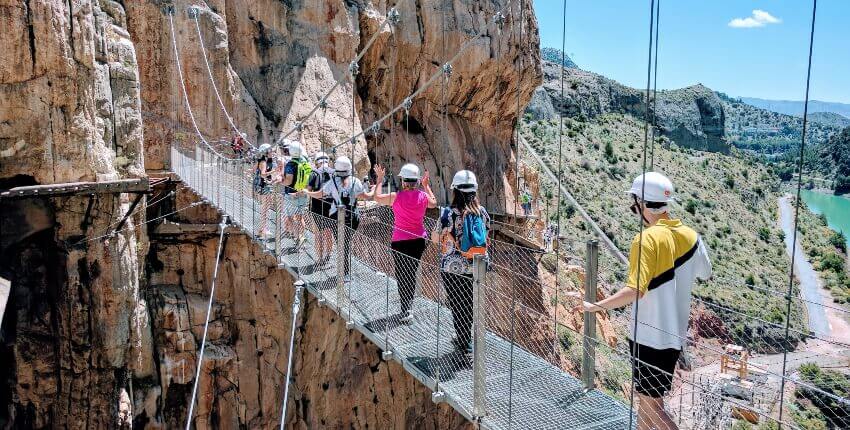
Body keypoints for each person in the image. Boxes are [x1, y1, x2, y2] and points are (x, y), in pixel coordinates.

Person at [571, 172, 711, 430]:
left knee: (652, 408)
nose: (633, 208)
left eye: (634, 202)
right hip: (674, 336)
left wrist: (595, 306)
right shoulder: (692, 237)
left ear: (643, 203)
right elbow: (705, 272)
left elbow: (634, 290)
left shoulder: (646, 239)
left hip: (649, 337)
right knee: (646, 405)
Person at [373, 163, 437, 324]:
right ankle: (409, 306)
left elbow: (377, 198)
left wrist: (380, 179)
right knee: (411, 271)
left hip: (400, 241)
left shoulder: (396, 196)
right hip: (419, 240)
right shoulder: (423, 196)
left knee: (402, 274)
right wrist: (426, 186)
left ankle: (406, 308)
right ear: (416, 182)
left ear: (403, 182)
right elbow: (434, 203)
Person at [437, 170, 490, 354]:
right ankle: (466, 339)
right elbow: (485, 236)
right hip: (476, 265)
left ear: (455, 191)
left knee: (456, 302)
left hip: (452, 266)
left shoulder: (448, 213)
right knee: (469, 303)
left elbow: (437, 239)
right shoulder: (482, 212)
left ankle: (463, 340)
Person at [302, 156, 372, 282]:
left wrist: (307, 192)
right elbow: (366, 196)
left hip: (336, 218)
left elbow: (319, 194)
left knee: (342, 244)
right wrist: (379, 184)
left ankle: (344, 272)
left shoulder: (332, 182)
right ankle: (345, 271)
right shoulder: (355, 181)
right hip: (353, 218)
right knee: (345, 243)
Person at [306, 151, 335, 266]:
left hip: (317, 208)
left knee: (318, 235)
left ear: (317, 162)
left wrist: (305, 191)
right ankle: (328, 255)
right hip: (332, 208)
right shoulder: (334, 173)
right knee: (329, 233)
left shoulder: (314, 173)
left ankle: (320, 259)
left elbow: (308, 190)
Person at [281, 140, 311, 247]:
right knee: (300, 217)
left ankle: (296, 236)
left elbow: (288, 181)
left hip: (291, 195)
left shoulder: (290, 164)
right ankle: (301, 236)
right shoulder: (305, 162)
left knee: (290, 217)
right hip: (303, 194)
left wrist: (281, 181)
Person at [253, 143, 279, 238]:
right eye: (270, 150)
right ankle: (263, 229)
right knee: (265, 208)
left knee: (266, 208)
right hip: (264, 187)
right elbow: (263, 174)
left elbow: (254, 169)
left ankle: (263, 228)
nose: (272, 152)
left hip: (263, 186)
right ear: (266, 151)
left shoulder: (261, 160)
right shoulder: (263, 161)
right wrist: (273, 171)